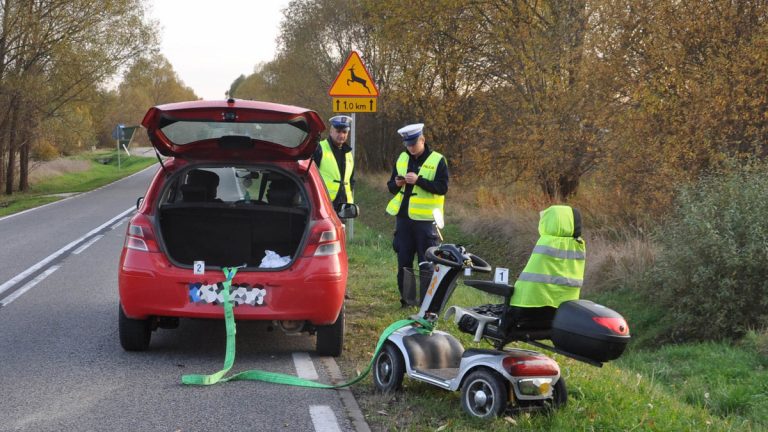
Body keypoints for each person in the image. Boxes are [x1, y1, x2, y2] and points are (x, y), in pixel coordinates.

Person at [386, 123, 449, 307]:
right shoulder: (402, 158)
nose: (411, 148)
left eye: (414, 144)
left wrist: (419, 181)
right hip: (404, 220)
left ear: (422, 140)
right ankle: (407, 301)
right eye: (408, 145)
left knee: (427, 263)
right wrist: (397, 184)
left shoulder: (438, 160)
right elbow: (391, 186)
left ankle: (426, 303)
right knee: (404, 262)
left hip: (426, 222)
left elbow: (442, 188)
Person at [313, 115, 354, 210]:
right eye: (338, 131)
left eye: (344, 132)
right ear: (331, 131)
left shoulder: (348, 153)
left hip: (344, 205)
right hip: (324, 203)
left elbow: (351, 179)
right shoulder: (320, 148)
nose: (342, 135)